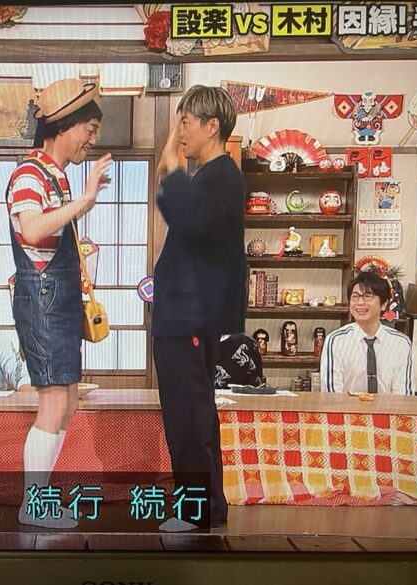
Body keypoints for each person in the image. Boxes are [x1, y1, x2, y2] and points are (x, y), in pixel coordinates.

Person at [6, 78, 112, 528]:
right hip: (43, 298)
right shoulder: (30, 173)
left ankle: (40, 499)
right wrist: (85, 201)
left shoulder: (54, 174)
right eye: (90, 128)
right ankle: (34, 506)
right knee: (53, 402)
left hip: (58, 298)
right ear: (64, 126)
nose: (92, 139)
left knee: (66, 400)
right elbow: (32, 229)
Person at [153, 85, 246, 531]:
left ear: (213, 126)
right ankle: (208, 508)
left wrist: (171, 160)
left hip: (189, 317)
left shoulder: (221, 175)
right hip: (185, 316)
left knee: (189, 416)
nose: (180, 132)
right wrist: (172, 161)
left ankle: (196, 511)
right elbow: (178, 206)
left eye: (185, 122)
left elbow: (186, 217)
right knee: (192, 414)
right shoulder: (211, 176)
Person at [321, 271, 413, 395]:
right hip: (346, 407)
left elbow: (404, 396)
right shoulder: (336, 341)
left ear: (384, 304)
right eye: (355, 297)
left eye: (367, 296)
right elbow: (331, 394)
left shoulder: (401, 343)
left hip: (388, 407)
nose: (359, 303)